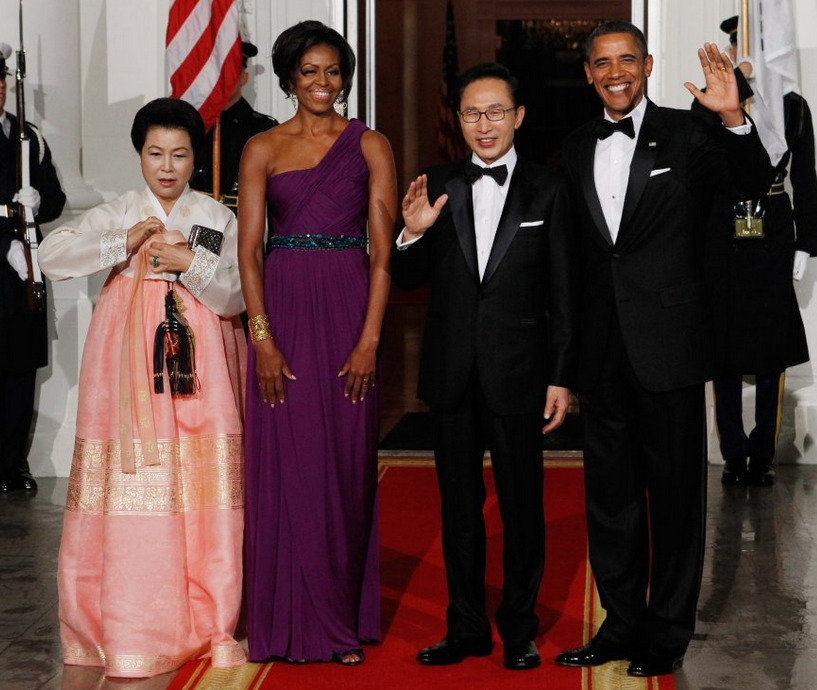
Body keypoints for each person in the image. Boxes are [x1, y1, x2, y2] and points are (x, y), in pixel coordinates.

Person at [555, 21, 773, 677]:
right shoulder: (571, 144)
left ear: (646, 64)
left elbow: (751, 186)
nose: (615, 71)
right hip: (601, 352)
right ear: (587, 73)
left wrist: (732, 116)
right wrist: (563, 367)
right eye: (601, 62)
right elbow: (569, 262)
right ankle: (619, 624)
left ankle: (667, 628)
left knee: (675, 497)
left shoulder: (690, 130)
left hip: (671, 345)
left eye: (626, 59)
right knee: (610, 499)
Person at [39, 97, 247, 678]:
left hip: (200, 366)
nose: (167, 166)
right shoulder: (122, 212)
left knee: (201, 482)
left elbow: (238, 295)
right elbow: (53, 257)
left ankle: (209, 617)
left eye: (180, 154)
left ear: (195, 160)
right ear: (139, 154)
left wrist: (189, 263)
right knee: (138, 484)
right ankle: (131, 624)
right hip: (127, 371)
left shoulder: (214, 217)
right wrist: (123, 243)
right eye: (155, 152)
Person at [392, 62, 576, 671]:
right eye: (472, 113)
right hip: (451, 374)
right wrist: (412, 235)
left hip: (521, 373)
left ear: (519, 117)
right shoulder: (438, 181)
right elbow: (410, 280)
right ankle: (466, 627)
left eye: (497, 111)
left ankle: (518, 628)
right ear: (459, 120)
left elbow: (563, 293)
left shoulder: (548, 189)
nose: (484, 124)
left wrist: (561, 375)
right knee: (458, 508)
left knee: (523, 507)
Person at [238, 21, 396, 666]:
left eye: (333, 71)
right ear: (287, 79)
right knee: (283, 469)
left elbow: (383, 255)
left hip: (348, 308)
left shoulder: (371, 145)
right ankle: (282, 623)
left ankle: (338, 620)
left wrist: (369, 341)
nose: (323, 83)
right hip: (282, 311)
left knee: (344, 467)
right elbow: (249, 252)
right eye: (310, 71)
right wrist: (263, 340)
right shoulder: (261, 148)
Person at [705, 16, 817, 487]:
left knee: (770, 346)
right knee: (724, 344)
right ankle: (733, 451)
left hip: (772, 223)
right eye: (738, 44)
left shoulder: (792, 103)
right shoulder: (714, 100)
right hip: (727, 226)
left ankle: (762, 452)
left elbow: (806, 176)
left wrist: (807, 242)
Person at [0, 43, 66, 493]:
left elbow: (57, 198)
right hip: (4, 254)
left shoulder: (28, 138)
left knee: (20, 368)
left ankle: (12, 463)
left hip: (23, 266)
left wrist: (37, 203)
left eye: (1, 82)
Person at [190, 40, 279, 213]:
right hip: (192, 219)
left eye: (230, 71)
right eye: (216, 72)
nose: (222, 79)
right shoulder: (190, 125)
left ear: (243, 78)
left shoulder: (265, 128)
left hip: (243, 224)